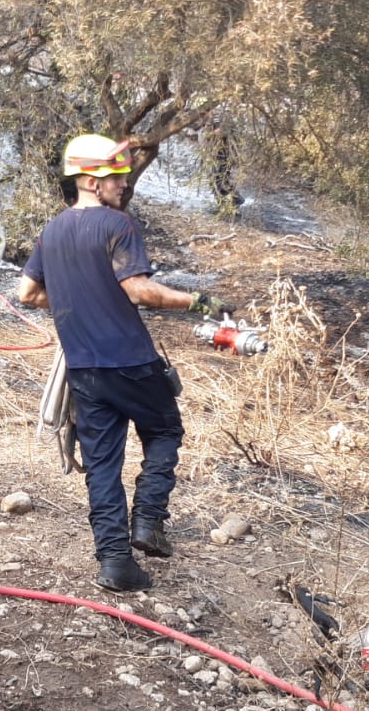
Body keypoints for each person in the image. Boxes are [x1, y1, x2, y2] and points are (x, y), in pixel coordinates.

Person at [16, 134, 233, 591]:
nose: (124, 183)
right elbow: (140, 290)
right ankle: (148, 521)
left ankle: (116, 565)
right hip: (130, 361)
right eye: (117, 175)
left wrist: (80, 301)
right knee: (166, 429)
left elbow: (28, 294)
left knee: (102, 465)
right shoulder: (118, 225)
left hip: (84, 370)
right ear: (92, 180)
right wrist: (198, 300)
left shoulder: (52, 231)